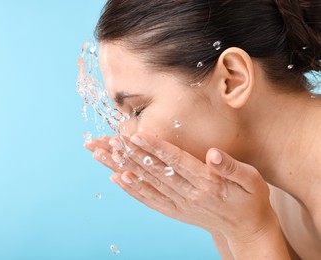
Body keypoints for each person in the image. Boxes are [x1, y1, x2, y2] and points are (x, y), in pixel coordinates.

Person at [84, 0, 321, 259]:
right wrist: (223, 222)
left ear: (233, 79)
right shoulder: (261, 186)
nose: (125, 140)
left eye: (138, 109)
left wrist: (250, 234)